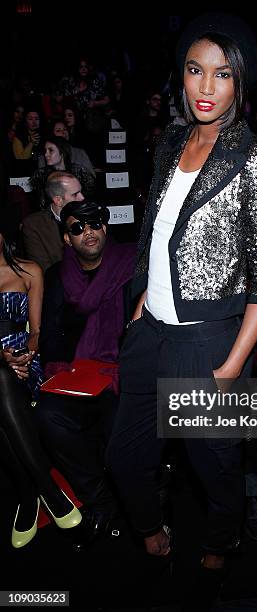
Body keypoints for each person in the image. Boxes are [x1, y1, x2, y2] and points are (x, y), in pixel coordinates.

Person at [106, 11, 257, 601]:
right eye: (194, 70)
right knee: (126, 457)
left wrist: (235, 363)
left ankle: (219, 542)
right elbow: (156, 233)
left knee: (215, 467)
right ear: (181, 76)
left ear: (240, 83)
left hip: (208, 341)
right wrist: (139, 303)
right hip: (150, 333)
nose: (205, 88)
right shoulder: (169, 141)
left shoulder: (255, 156)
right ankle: (152, 531)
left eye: (222, 75)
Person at [35, 200, 136, 551]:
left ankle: (137, 503)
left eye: (94, 224)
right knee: (47, 415)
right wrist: (64, 371)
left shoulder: (132, 264)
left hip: (122, 371)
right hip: (77, 374)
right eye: (77, 228)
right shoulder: (56, 276)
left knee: (117, 422)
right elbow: (49, 336)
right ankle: (98, 498)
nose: (88, 232)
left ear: (105, 229)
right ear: (66, 238)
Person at [0, 208, 82, 548]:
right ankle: (45, 489)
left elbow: (36, 331)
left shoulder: (29, 270)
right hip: (2, 363)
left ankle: (27, 496)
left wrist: (26, 352)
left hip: (23, 359)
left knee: (3, 380)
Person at [22, 171, 84, 271]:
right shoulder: (34, 225)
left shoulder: (89, 215)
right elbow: (43, 269)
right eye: (75, 194)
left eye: (81, 191)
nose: (82, 198)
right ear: (58, 200)